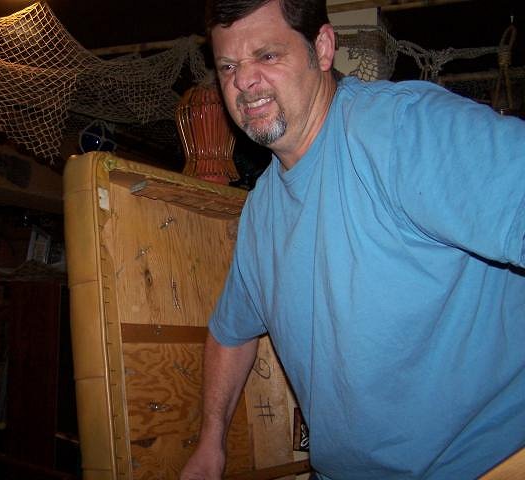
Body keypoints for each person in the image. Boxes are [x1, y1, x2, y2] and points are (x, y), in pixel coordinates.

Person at [180, 0, 525, 479]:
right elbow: (230, 333)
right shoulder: (260, 212)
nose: (244, 81)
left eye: (267, 55)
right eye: (228, 67)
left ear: (322, 48)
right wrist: (210, 442)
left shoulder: (403, 128)